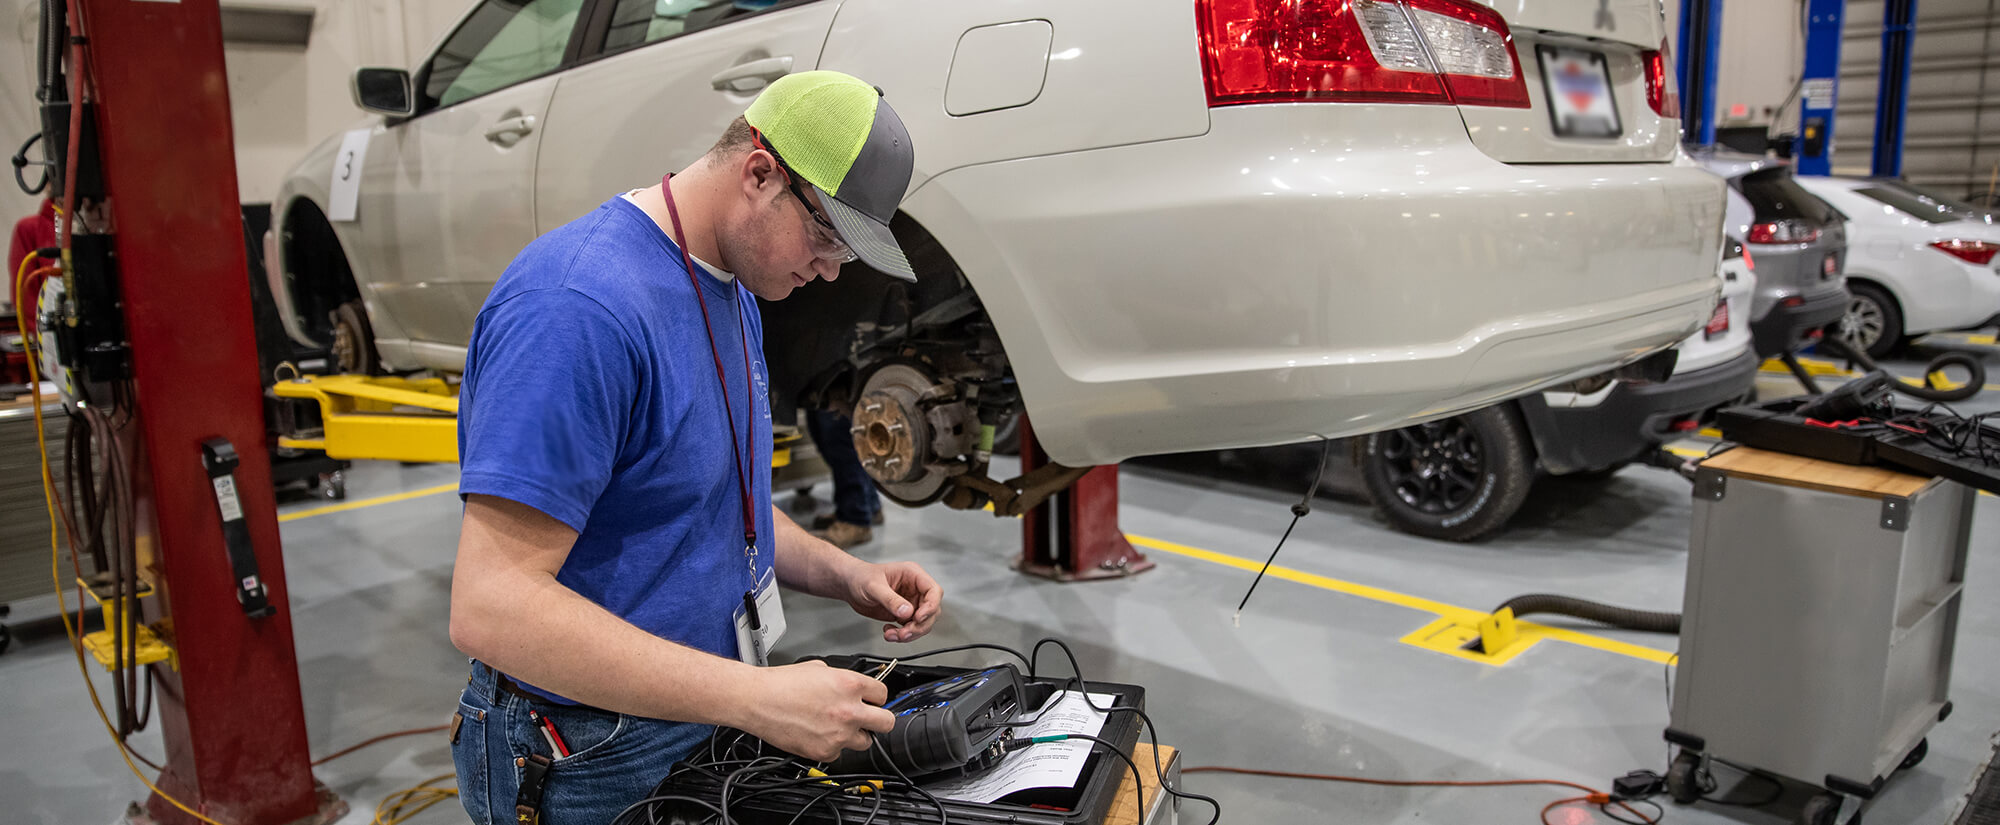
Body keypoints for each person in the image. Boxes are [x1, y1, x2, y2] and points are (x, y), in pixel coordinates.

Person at [447, 71, 942, 825]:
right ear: (759, 172)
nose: (831, 270)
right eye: (826, 236)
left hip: (701, 709)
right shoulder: (577, 308)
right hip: (588, 746)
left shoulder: (732, 284)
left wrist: (845, 573)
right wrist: (759, 697)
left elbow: (713, 506)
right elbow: (492, 606)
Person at [805, 407, 884, 548]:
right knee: (821, 429)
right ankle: (869, 506)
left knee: (839, 437)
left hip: (833, 386)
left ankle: (855, 520)